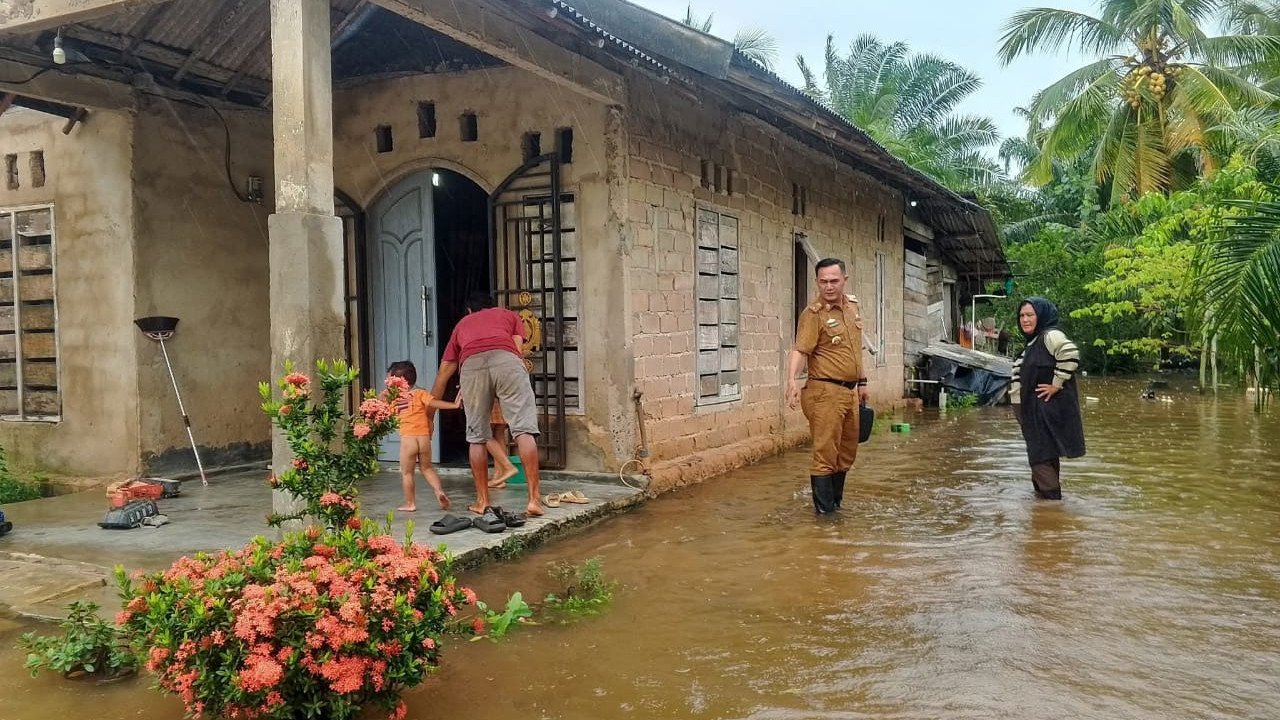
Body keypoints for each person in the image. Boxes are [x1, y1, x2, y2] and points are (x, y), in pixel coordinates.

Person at [431, 291, 543, 517]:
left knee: (476, 436)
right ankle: (533, 500)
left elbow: (444, 372)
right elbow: (517, 348)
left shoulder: (462, 324)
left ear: (470, 310)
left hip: (472, 367)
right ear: (493, 305)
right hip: (507, 362)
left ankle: (482, 501)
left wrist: (429, 414)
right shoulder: (508, 315)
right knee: (523, 429)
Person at [786, 258, 871, 514]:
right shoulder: (813, 314)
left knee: (846, 454)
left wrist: (862, 382)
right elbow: (801, 350)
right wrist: (791, 379)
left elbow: (855, 350)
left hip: (849, 392)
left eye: (834, 281)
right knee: (825, 455)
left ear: (845, 280)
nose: (829, 286)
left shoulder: (852, 308)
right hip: (824, 392)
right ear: (817, 283)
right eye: (823, 282)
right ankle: (825, 518)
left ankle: (836, 506)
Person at [1009, 297, 1086, 500]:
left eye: (1030, 315)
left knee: (1039, 454)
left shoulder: (1050, 335)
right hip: (1031, 406)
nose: (1024, 319)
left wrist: (1056, 383)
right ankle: (1044, 505)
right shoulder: (1034, 342)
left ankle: (1051, 505)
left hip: (1041, 407)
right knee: (1046, 452)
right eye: (1022, 315)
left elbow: (1070, 354)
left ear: (1041, 316)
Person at [386, 361, 461, 512]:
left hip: (408, 440)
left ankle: (410, 503)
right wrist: (455, 405)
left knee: (407, 473)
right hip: (423, 438)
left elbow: (385, 414)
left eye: (389, 380)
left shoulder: (396, 400)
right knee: (427, 468)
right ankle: (439, 491)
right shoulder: (420, 394)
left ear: (398, 382)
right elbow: (435, 403)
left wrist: (383, 398)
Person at [485, 400, 519, 488]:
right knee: (499, 434)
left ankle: (508, 467)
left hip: (488, 398)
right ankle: (499, 478)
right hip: (503, 399)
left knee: (483, 434)